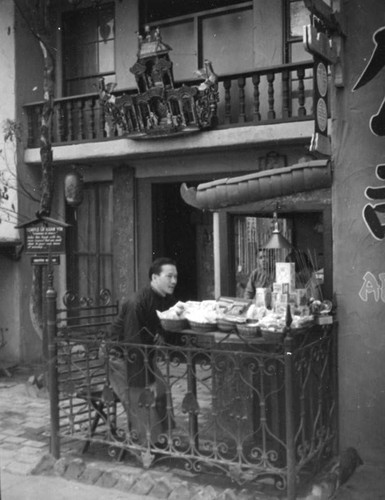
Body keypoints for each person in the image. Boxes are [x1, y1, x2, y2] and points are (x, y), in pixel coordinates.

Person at [107, 257, 178, 446]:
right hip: (120, 356)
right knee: (142, 397)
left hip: (143, 355)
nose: (173, 281)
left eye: (175, 277)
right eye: (169, 276)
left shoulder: (165, 299)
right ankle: (148, 448)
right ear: (155, 277)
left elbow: (167, 328)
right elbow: (133, 345)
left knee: (162, 389)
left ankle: (163, 437)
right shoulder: (137, 302)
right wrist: (149, 381)